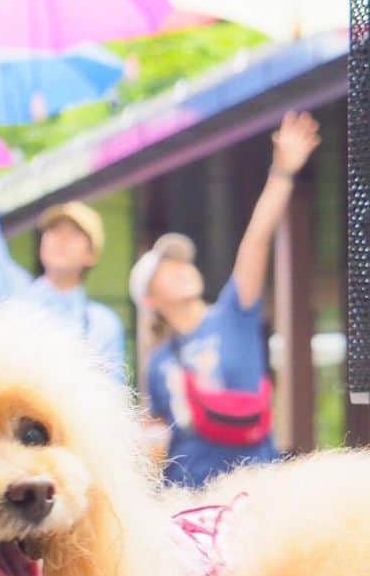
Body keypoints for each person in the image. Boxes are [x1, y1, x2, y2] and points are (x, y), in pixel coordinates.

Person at [130, 110, 321, 489]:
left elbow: (256, 239)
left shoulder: (234, 313)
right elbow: (158, 437)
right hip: (188, 494)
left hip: (257, 487)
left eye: (184, 262)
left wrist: (282, 173)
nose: (182, 269)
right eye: (167, 270)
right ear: (150, 299)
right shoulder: (158, 363)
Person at [0, 104, 126, 378]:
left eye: (74, 234)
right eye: (53, 231)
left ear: (91, 255)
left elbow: (111, 398)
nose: (59, 240)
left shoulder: (103, 324)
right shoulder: (13, 293)